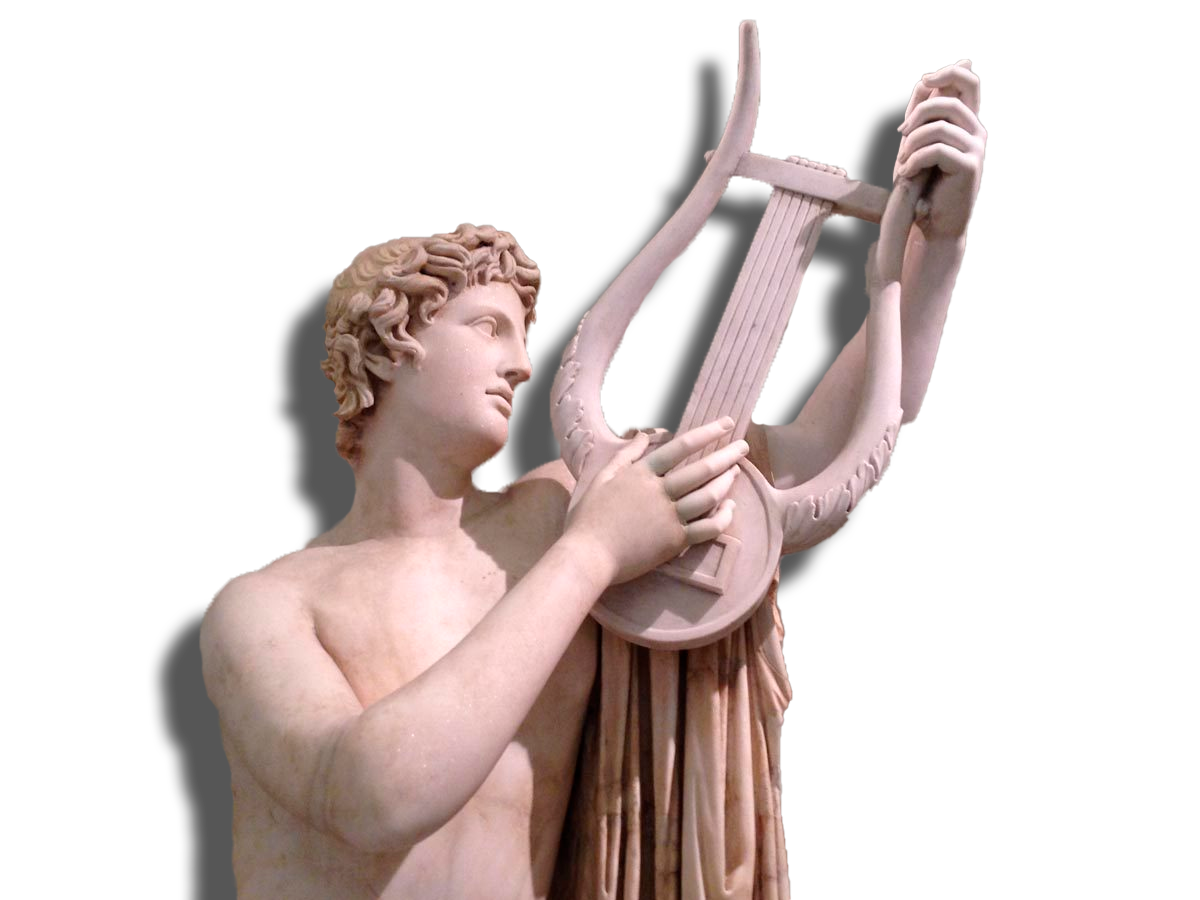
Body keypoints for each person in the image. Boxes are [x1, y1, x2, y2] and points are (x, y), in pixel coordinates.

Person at [202, 60, 986, 900]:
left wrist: (930, 251)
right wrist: (594, 552)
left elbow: (823, 453)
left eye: (522, 336)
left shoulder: (554, 512)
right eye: (488, 327)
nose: (521, 363)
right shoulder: (268, 607)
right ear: (393, 345)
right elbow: (376, 796)